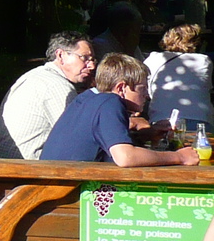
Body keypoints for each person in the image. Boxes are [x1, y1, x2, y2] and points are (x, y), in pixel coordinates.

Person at [41, 53, 193, 164]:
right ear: (121, 87)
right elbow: (126, 158)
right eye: (143, 88)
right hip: (69, 194)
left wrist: (145, 134)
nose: (147, 96)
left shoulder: (89, 98)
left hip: (59, 183)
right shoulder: (110, 102)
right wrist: (179, 157)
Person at [0, 32, 96, 159]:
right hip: (22, 172)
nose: (91, 65)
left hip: (4, 166)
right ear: (60, 55)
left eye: (93, 59)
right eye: (84, 58)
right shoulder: (56, 85)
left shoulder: (35, 76)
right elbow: (77, 141)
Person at [146, 24, 212, 128]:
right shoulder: (204, 60)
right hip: (200, 120)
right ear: (196, 41)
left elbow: (146, 91)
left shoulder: (153, 59)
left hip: (161, 120)